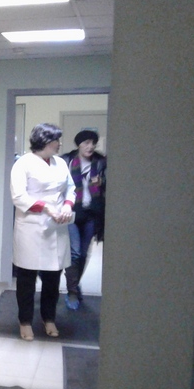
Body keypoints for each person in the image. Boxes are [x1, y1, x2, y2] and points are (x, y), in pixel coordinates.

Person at [11, 123, 75, 341]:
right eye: (57, 140)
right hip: (32, 225)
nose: (59, 144)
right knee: (27, 279)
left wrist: (67, 205)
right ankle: (25, 321)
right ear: (46, 142)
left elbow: (70, 188)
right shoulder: (23, 164)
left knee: (53, 277)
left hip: (57, 226)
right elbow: (19, 196)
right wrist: (46, 208)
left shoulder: (60, 162)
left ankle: (49, 318)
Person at [60, 130, 106, 310]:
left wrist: (102, 181)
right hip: (71, 213)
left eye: (93, 143)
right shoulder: (66, 161)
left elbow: (113, 182)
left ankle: (74, 284)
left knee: (84, 254)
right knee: (75, 253)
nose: (90, 146)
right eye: (86, 143)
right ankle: (72, 292)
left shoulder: (101, 162)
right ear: (78, 144)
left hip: (91, 214)